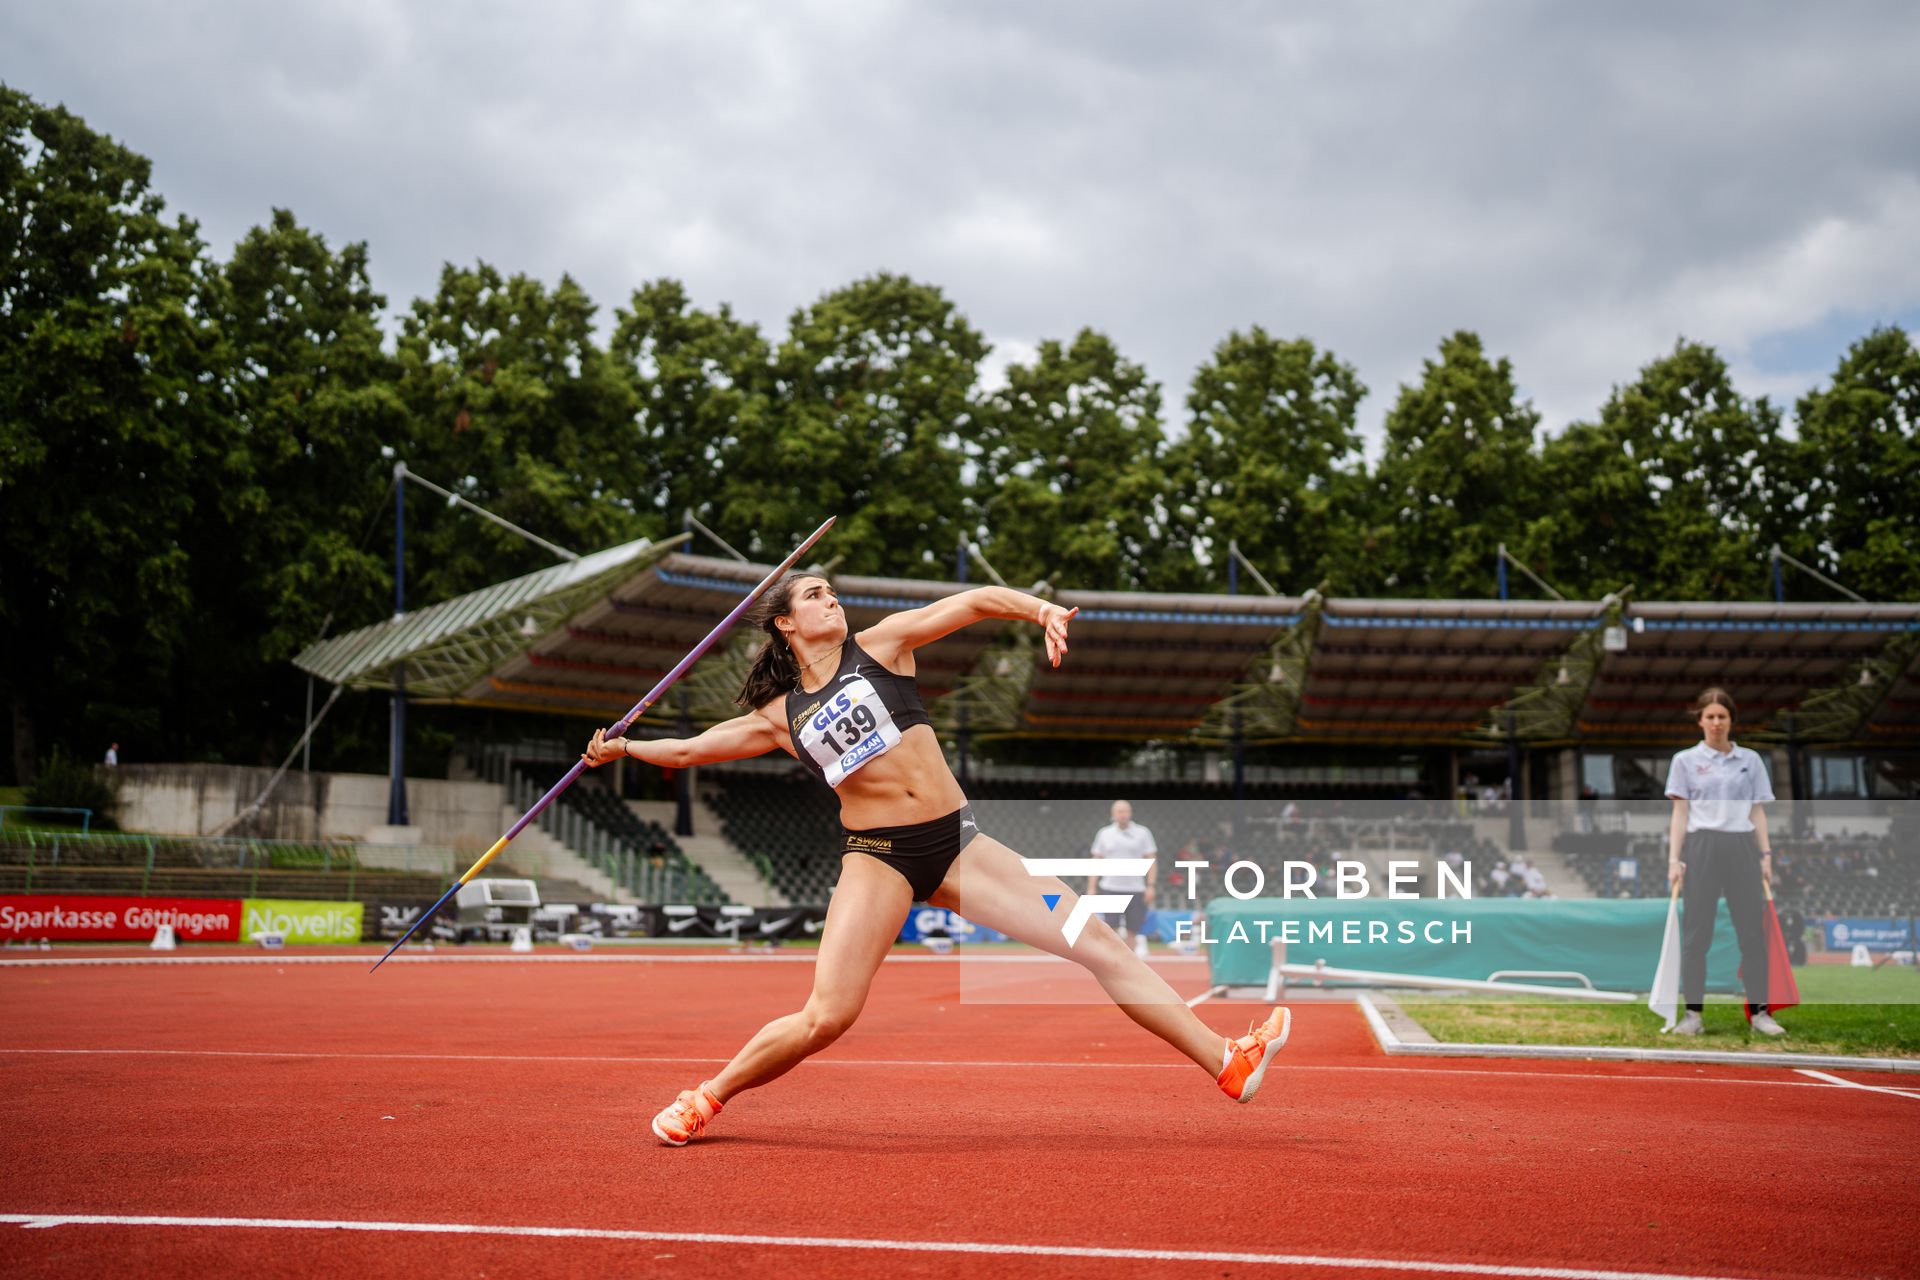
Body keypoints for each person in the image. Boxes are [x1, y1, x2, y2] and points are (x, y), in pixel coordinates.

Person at [582, 574, 1290, 1145]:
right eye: (814, 595)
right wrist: (622, 749)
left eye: (832, 590)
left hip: (960, 847)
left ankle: (1227, 1062)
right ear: (785, 625)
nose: (832, 599)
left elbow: (978, 601)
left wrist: (1040, 609)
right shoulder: (780, 717)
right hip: (878, 860)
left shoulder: (882, 646)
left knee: (1095, 940)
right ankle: (706, 1097)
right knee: (827, 1017)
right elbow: (686, 749)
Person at [1665, 686, 1784, 1037]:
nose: (1716, 722)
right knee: (1696, 935)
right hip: (1702, 847)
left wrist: (1765, 855)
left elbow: (1757, 812)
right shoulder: (1684, 761)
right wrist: (1674, 858)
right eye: (1710, 717)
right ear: (1700, 721)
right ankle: (1693, 1016)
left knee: (1751, 934)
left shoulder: (1750, 761)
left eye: (1722, 716)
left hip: (1742, 846)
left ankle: (1761, 1013)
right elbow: (1679, 813)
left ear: (1731, 720)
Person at [1088, 799, 1158, 958]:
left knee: (1133, 929)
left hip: (1136, 888)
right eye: (1119, 811)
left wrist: (1151, 885)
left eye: (1125, 811)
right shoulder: (1104, 834)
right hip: (1110, 887)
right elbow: (1096, 860)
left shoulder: (1142, 833)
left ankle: (1128, 960)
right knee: (1111, 927)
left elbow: (1151, 860)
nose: (1123, 815)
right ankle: (1114, 959)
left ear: (1130, 813)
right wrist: (1091, 888)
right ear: (1113, 814)